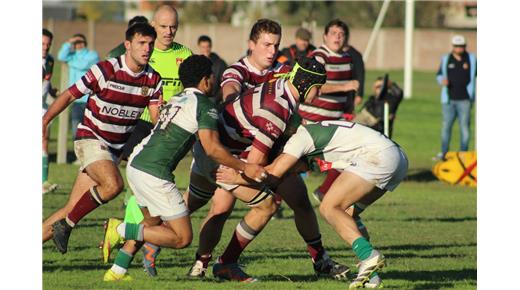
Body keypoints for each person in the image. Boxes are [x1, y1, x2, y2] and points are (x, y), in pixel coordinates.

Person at [100, 55, 267, 281]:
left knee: (150, 222)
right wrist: (244, 167)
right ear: (205, 80)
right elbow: (212, 149)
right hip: (153, 173)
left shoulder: (179, 98)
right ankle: (119, 229)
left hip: (137, 164)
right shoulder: (204, 105)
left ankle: (117, 271)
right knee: (181, 238)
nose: (216, 81)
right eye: (213, 76)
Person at [189, 58, 350, 282]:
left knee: (299, 198)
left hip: (217, 150)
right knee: (263, 206)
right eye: (318, 87)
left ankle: (320, 260)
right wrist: (243, 176)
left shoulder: (284, 87)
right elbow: (255, 162)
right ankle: (224, 264)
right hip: (223, 156)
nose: (320, 93)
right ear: (305, 85)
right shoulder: (278, 108)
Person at [217, 120, 409, 289]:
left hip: (378, 156)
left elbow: (274, 173)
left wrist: (238, 177)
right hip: (398, 158)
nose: (292, 174)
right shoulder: (309, 135)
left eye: (291, 171)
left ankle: (368, 256)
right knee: (349, 214)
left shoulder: (296, 141)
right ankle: (371, 277)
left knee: (329, 207)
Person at [41, 23, 163, 255]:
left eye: (150, 44)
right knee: (113, 185)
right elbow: (68, 95)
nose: (147, 48)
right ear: (127, 45)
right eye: (141, 43)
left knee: (71, 207)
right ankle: (67, 226)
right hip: (90, 138)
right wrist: (44, 121)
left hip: (113, 151)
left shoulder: (153, 80)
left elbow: (157, 119)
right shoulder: (105, 70)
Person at [299, 19, 359, 206]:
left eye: (341, 34)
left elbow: (347, 92)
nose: (337, 37)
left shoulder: (347, 59)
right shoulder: (319, 57)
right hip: (310, 121)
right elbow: (315, 86)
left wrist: (349, 107)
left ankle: (323, 192)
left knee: (348, 156)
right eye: (333, 33)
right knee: (293, 164)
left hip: (334, 123)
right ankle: (273, 202)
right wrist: (346, 86)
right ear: (325, 36)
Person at [120, 5, 192, 162]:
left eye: (173, 27)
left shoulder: (185, 54)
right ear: (153, 25)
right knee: (125, 159)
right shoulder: (141, 52)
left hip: (170, 123)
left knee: (156, 168)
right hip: (141, 119)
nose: (168, 32)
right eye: (163, 26)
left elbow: (191, 91)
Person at [435, 35, 476, 161]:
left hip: (465, 99)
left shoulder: (472, 59)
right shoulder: (446, 59)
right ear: (453, 47)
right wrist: (442, 80)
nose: (459, 48)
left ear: (465, 46)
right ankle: (444, 153)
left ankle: (464, 153)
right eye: (457, 46)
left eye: (461, 46)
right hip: (448, 100)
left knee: (464, 127)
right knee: (446, 127)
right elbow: (439, 75)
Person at [57, 33, 99, 143]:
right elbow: (61, 56)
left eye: (81, 42)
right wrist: (69, 42)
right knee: (76, 128)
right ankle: (78, 156)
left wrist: (70, 62)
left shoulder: (92, 55)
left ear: (85, 43)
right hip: (76, 99)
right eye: (76, 43)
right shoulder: (72, 55)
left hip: (90, 98)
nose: (78, 45)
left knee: (91, 129)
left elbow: (83, 65)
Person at [42, 28, 58, 194]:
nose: (45, 47)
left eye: (48, 44)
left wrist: (53, 92)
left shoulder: (50, 60)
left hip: (42, 106)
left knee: (44, 139)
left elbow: (47, 83)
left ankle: (43, 181)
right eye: (42, 44)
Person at [197, 35, 228, 102]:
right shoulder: (195, 63)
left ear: (211, 47)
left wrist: (216, 99)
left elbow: (225, 83)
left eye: (208, 47)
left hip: (214, 101)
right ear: (199, 47)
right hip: (199, 99)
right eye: (203, 47)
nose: (205, 50)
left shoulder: (220, 64)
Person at [342, 25, 365, 112]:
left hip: (350, 93)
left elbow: (360, 75)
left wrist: (360, 94)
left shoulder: (355, 55)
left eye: (342, 34)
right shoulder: (332, 54)